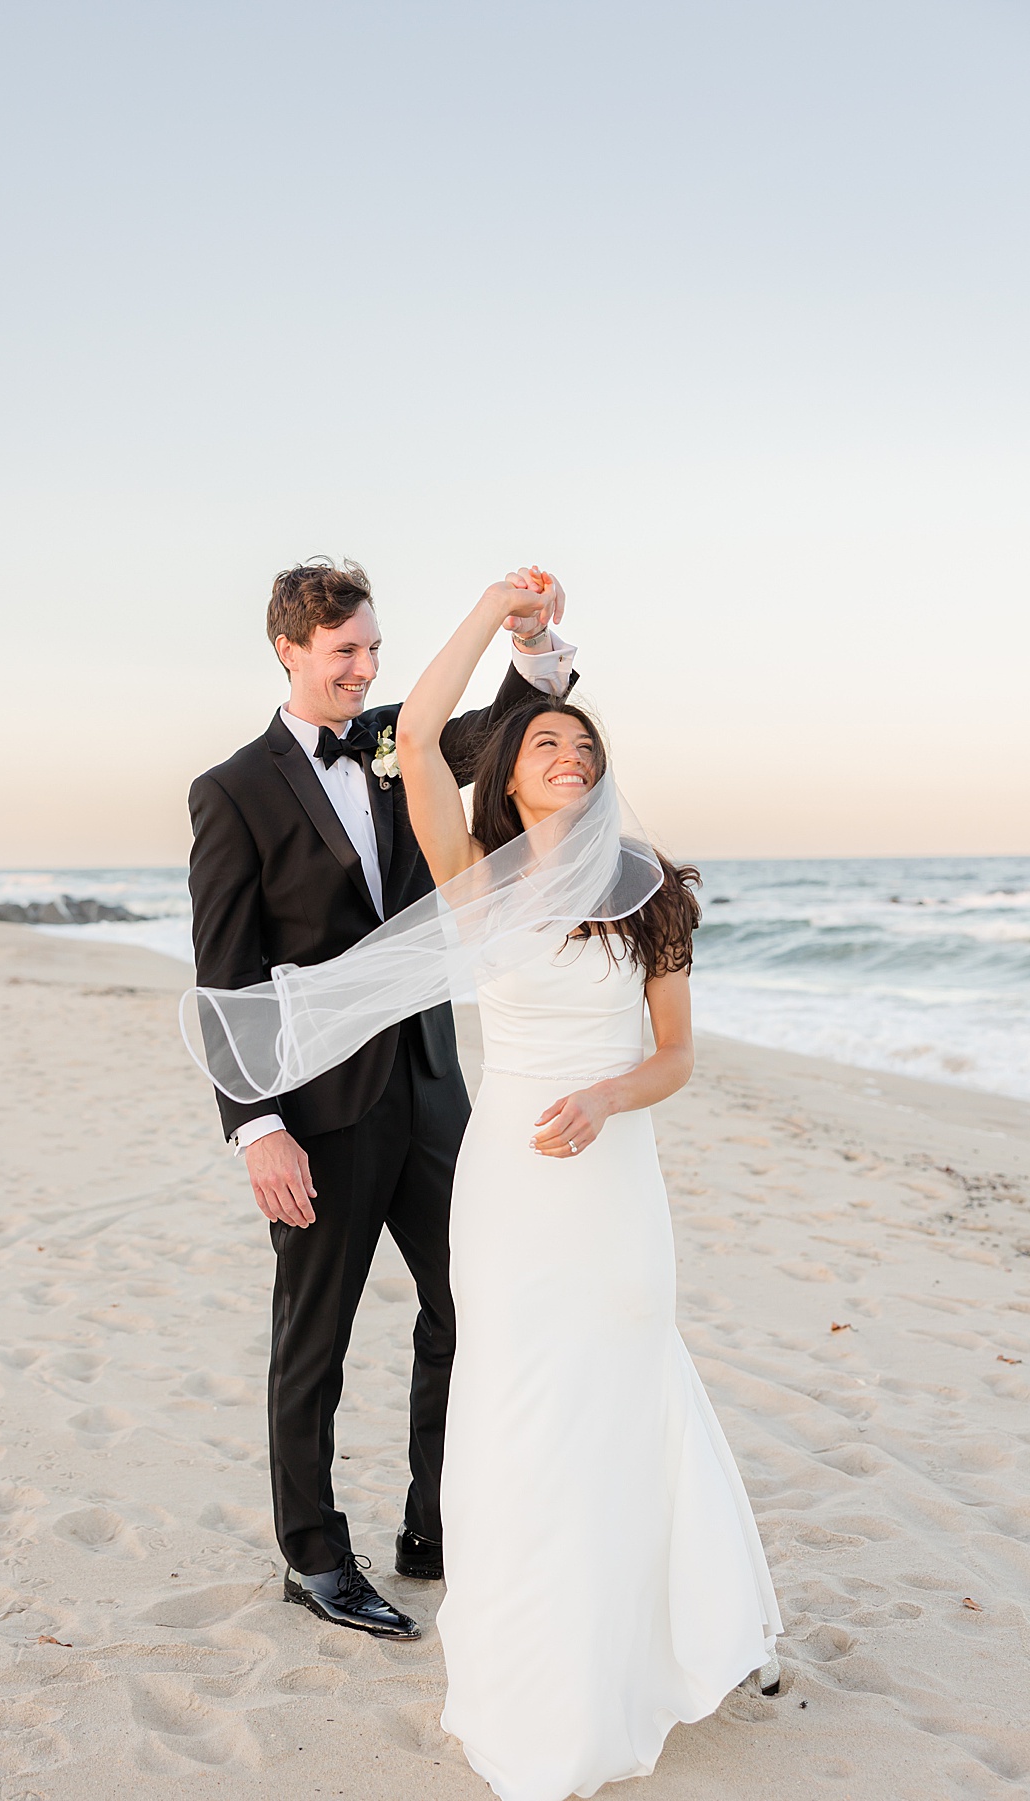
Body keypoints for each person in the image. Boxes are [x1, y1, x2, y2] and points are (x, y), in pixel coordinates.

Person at [395, 579, 781, 1800]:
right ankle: (529, 1655)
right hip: (508, 1188)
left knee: (622, 1390)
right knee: (516, 1405)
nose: (569, 754)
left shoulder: (650, 887)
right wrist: (490, 611)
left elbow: (673, 1055)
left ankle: (644, 1643)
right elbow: (414, 735)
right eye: (547, 741)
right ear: (509, 773)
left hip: (612, 1184)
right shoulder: (476, 881)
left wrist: (611, 1097)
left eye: (585, 745)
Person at [185, 557, 576, 1639]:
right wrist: (254, 1125)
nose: (364, 669)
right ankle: (312, 1558)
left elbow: (517, 721)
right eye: (345, 652)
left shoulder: (404, 740)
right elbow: (225, 975)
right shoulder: (232, 790)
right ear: (291, 650)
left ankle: (433, 1528)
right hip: (315, 1109)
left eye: (373, 649)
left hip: (432, 1080)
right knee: (317, 1335)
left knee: (467, 1306)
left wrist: (534, 637)